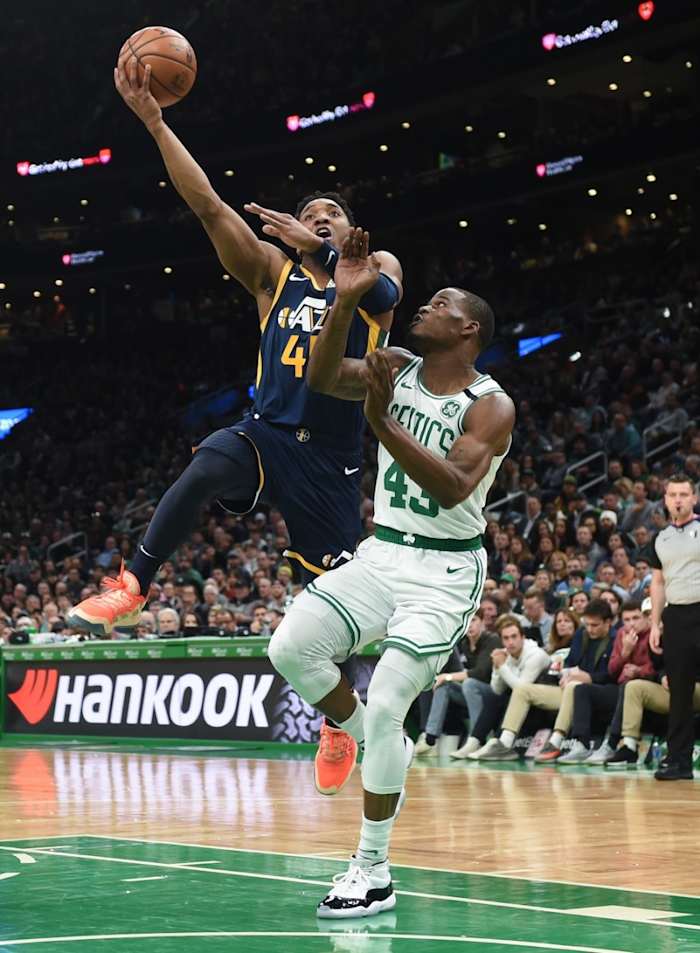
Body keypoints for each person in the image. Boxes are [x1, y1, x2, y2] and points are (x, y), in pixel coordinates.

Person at [67, 58, 403, 798]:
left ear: (350, 229)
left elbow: (384, 292)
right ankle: (134, 584)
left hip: (334, 455)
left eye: (333, 213)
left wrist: (323, 247)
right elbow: (209, 206)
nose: (321, 217)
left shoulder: (374, 267)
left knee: (329, 601)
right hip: (269, 431)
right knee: (207, 466)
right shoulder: (273, 276)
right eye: (312, 213)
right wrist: (154, 122)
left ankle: (338, 719)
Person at [268, 231, 514, 917]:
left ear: (467, 329)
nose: (423, 307)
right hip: (383, 552)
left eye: (439, 304)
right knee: (289, 647)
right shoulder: (397, 365)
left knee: (386, 700)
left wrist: (380, 423)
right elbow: (321, 378)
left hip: (444, 570)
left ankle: (372, 869)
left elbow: (452, 486)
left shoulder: (490, 404)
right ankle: (374, 739)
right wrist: (345, 301)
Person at [473, 599, 615, 762]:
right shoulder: (581, 634)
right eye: (587, 624)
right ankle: (504, 744)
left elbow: (612, 675)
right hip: (568, 690)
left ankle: (555, 742)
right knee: (522, 689)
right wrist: (566, 674)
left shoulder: (615, 639)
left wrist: (589, 677)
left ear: (608, 622)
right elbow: (570, 663)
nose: (590, 629)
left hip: (596, 692)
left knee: (575, 686)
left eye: (595, 625)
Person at [555, 601, 655, 762]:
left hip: (644, 686)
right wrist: (625, 653)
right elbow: (612, 670)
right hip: (618, 687)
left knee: (628, 687)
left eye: (635, 618)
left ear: (646, 618)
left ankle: (611, 745)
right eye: (627, 619)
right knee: (582, 689)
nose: (631, 624)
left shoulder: (652, 635)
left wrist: (638, 670)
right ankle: (581, 744)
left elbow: (656, 667)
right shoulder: (621, 634)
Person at [648, 474, 700, 780]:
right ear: (665, 500)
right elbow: (658, 582)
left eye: (683, 494)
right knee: (679, 692)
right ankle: (678, 761)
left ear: (694, 498)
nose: (678, 500)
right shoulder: (661, 538)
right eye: (672, 495)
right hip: (676, 617)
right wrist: (655, 623)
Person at [458, 615, 551, 760]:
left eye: (514, 637)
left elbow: (522, 690)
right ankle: (474, 741)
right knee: (494, 698)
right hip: (522, 704)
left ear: (522, 637)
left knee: (509, 697)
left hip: (542, 707)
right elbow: (497, 690)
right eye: (506, 638)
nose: (510, 642)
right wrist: (497, 668)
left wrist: (502, 667)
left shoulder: (535, 655)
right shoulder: (506, 654)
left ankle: (497, 743)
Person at [414, 609, 501, 756]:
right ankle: (430, 740)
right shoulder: (463, 643)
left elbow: (481, 672)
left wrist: (448, 677)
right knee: (443, 686)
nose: (470, 625)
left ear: (482, 622)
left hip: (493, 693)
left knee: (469, 683)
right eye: (467, 621)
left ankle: (476, 739)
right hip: (470, 693)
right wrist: (445, 679)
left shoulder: (492, 640)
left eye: (474, 620)